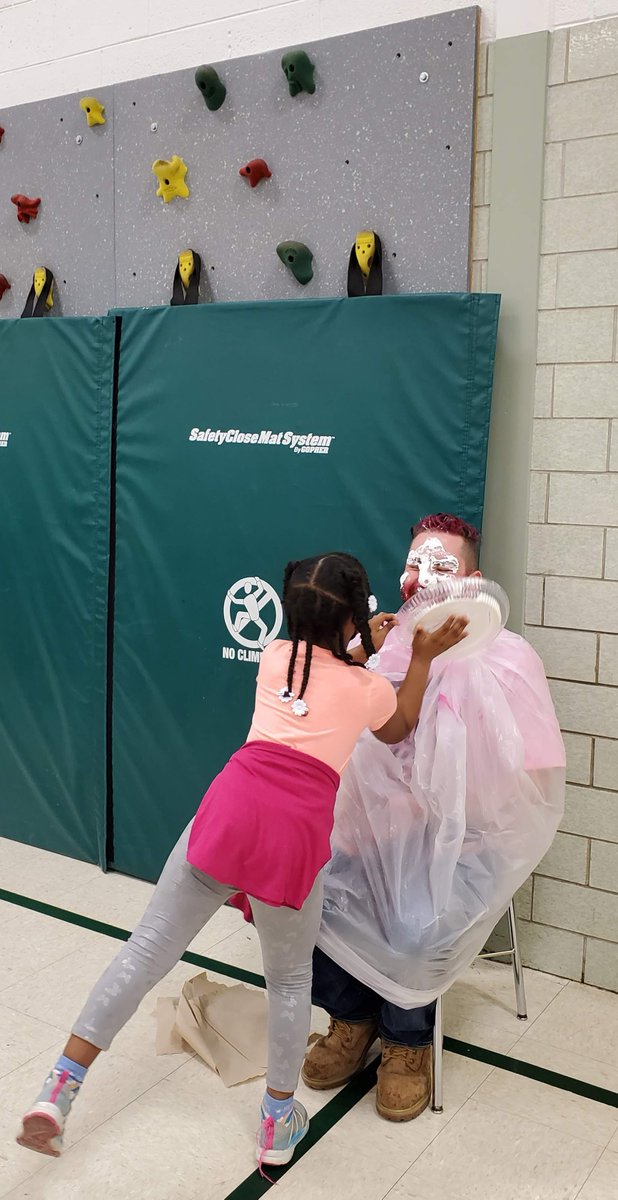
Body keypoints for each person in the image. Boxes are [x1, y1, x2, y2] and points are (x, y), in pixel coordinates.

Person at [17, 551, 467, 1171]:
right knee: (287, 981)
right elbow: (399, 724)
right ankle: (277, 1123)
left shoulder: (274, 656)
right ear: (349, 623)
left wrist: (356, 643)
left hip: (229, 810)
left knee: (147, 948)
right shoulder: (365, 690)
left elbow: (320, 681)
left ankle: (59, 1089)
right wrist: (418, 656)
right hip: (292, 836)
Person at [302, 515, 565, 1123]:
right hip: (385, 828)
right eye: (415, 564)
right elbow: (371, 740)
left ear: (474, 581)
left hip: (472, 838)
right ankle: (352, 1018)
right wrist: (367, 654)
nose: (422, 579)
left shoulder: (509, 662)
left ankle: (406, 1041)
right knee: (322, 881)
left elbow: (521, 784)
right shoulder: (389, 645)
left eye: (441, 567)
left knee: (417, 913)